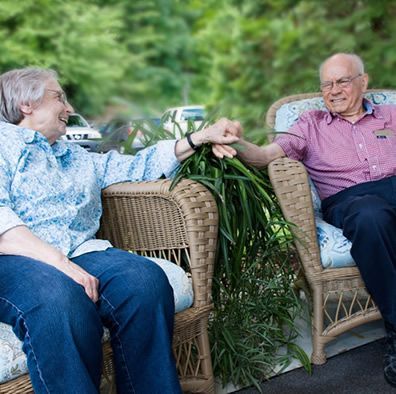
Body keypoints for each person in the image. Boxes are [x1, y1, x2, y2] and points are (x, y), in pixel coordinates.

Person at [0, 67, 241, 394]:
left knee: (144, 281)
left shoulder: (74, 155)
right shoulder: (4, 143)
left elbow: (138, 165)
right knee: (59, 299)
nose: (69, 109)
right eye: (59, 97)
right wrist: (59, 263)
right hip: (14, 257)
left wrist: (198, 138)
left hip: (78, 252)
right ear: (26, 104)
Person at [234, 53, 396, 388]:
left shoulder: (391, 115)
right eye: (327, 84)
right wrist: (236, 144)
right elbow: (266, 156)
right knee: (371, 216)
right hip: (352, 200)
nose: (333, 90)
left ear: (363, 83)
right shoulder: (310, 124)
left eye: (342, 81)